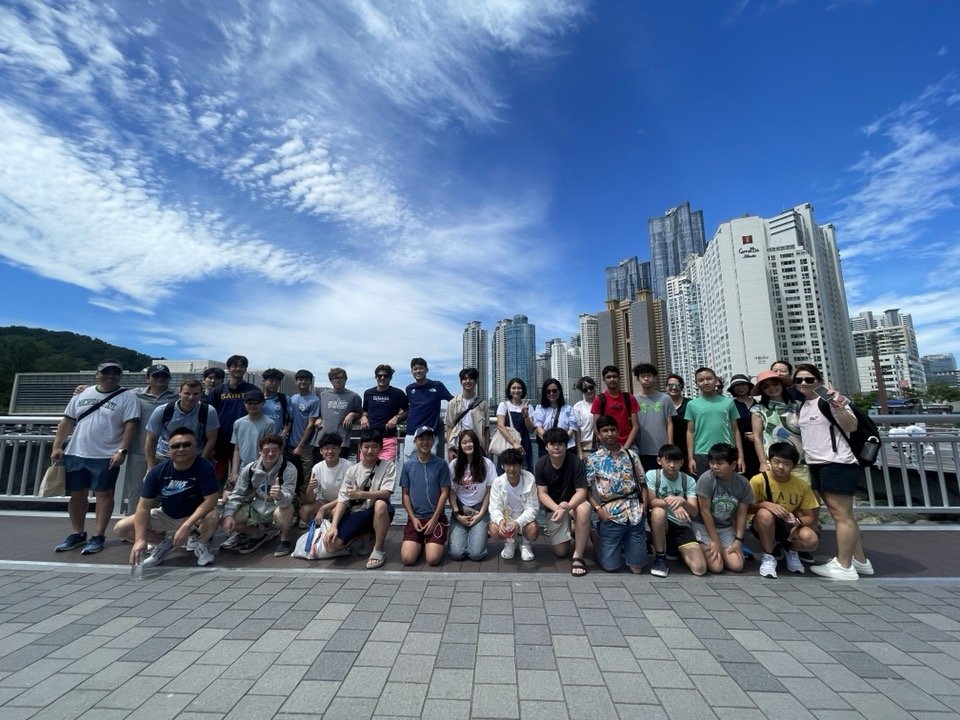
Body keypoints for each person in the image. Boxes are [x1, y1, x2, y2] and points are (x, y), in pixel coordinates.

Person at [51, 360, 141, 555]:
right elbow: (67, 421)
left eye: (115, 373)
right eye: (106, 372)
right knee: (77, 494)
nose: (111, 376)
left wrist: (122, 450)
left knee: (104, 494)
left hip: (106, 454)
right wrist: (57, 445)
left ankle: (98, 535)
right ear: (96, 374)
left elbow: (130, 425)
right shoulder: (82, 394)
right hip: (76, 451)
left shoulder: (127, 397)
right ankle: (77, 533)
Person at [794, 364, 874, 581]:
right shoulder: (805, 405)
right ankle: (860, 561)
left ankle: (844, 565)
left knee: (842, 516)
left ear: (818, 381)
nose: (803, 383)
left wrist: (837, 404)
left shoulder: (827, 400)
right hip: (818, 464)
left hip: (837, 462)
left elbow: (852, 426)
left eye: (809, 379)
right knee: (843, 514)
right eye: (799, 380)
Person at [115, 427, 219, 567]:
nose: (181, 449)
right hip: (166, 514)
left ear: (196, 446)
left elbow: (211, 500)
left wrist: (187, 525)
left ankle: (201, 545)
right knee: (121, 528)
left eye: (186, 445)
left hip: (194, 518)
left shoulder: (205, 468)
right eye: (175, 446)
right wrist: (140, 539)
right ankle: (164, 544)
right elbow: (143, 506)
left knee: (213, 515)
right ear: (168, 449)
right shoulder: (157, 472)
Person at [322, 430, 397, 569]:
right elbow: (343, 499)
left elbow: (386, 493)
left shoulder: (388, 466)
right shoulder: (353, 470)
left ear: (380, 448)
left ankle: (378, 549)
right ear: (360, 447)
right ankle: (363, 535)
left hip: (378, 510)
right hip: (358, 512)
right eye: (366, 446)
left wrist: (361, 494)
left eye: (374, 447)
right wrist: (333, 526)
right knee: (331, 547)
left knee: (381, 504)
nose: (370, 451)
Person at [585, 415, 648, 573]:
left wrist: (644, 507)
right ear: (598, 435)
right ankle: (597, 536)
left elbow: (643, 483)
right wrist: (598, 510)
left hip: (635, 513)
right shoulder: (593, 459)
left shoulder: (631, 455)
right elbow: (586, 488)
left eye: (612, 429)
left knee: (637, 568)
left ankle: (628, 546)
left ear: (618, 431)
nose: (609, 434)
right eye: (605, 431)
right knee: (610, 567)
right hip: (610, 514)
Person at [748, 442, 820, 579]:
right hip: (762, 524)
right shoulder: (758, 480)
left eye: (787, 464)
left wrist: (797, 520)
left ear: (794, 466)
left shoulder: (801, 485)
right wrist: (765, 504)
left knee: (811, 539)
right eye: (776, 462)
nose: (780, 467)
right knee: (764, 513)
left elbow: (810, 517)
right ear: (769, 461)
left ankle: (791, 550)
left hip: (789, 526)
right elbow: (747, 509)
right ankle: (769, 555)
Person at [220, 433, 297, 556]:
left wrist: (280, 495)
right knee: (228, 517)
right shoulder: (250, 469)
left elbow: (288, 498)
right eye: (266, 450)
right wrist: (228, 514)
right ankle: (257, 534)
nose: (270, 454)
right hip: (257, 506)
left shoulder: (289, 469)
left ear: (281, 450)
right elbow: (238, 493)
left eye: (275, 450)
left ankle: (284, 538)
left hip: (277, 507)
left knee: (286, 509)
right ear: (260, 451)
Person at [535, 428, 591, 575]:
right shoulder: (541, 464)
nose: (556, 447)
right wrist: (558, 509)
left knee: (584, 509)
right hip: (555, 509)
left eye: (560, 443)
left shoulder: (576, 462)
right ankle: (579, 529)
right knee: (560, 552)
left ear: (566, 445)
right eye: (552, 444)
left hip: (573, 505)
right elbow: (542, 494)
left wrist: (567, 507)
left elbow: (582, 492)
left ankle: (578, 556)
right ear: (546, 446)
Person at [691, 443, 753, 574]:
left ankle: (722, 551)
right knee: (716, 567)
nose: (714, 466)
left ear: (733, 465)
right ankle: (699, 544)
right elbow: (704, 511)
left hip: (725, 527)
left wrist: (738, 540)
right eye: (712, 462)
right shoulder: (706, 479)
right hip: (703, 525)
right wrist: (715, 541)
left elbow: (742, 514)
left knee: (737, 566)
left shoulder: (743, 483)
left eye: (719, 463)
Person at [646, 444, 706, 578]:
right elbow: (652, 501)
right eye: (668, 461)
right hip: (662, 523)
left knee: (700, 569)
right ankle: (660, 557)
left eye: (676, 461)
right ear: (659, 461)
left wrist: (682, 501)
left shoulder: (688, 480)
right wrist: (673, 503)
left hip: (681, 525)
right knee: (658, 512)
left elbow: (694, 511)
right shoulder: (652, 475)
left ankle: (677, 550)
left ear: (682, 462)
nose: (672, 465)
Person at [124, 364, 178, 512]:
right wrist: (83, 388)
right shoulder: (134, 394)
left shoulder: (176, 397)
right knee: (136, 489)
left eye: (164, 376)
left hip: (165, 453)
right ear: (147, 378)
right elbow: (112, 391)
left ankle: (153, 527)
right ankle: (132, 526)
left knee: (163, 491)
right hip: (138, 449)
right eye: (156, 375)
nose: (160, 378)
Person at [399, 426, 451, 566]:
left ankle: (431, 543)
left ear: (433, 441)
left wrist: (434, 519)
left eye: (429, 439)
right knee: (407, 559)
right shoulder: (408, 466)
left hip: (435, 518)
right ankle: (420, 542)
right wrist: (413, 517)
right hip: (416, 518)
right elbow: (405, 494)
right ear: (415, 441)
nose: (425, 442)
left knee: (433, 560)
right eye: (421, 439)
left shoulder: (441, 464)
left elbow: (445, 492)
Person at [144, 379, 219, 470]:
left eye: (195, 394)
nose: (191, 397)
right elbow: (151, 440)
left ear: (201, 394)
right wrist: (150, 468)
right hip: (165, 457)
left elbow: (212, 438)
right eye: (187, 393)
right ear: (179, 393)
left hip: (195, 457)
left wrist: (202, 462)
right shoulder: (162, 411)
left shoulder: (208, 411)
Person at [685, 367, 745, 476]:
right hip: (702, 453)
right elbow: (690, 432)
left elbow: (735, 430)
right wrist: (691, 458)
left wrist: (740, 457)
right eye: (701, 380)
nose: (705, 382)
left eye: (709, 379)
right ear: (696, 383)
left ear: (716, 380)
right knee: (705, 489)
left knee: (729, 489)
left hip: (727, 452)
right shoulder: (692, 405)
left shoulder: (728, 403)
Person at [208, 355, 257, 484]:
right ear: (228, 368)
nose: (238, 368)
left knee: (243, 476)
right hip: (221, 439)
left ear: (245, 369)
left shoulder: (253, 390)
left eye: (241, 366)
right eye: (234, 365)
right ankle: (216, 501)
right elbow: (210, 417)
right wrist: (211, 443)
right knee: (217, 475)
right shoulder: (217, 391)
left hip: (245, 439)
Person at [447, 429, 494, 562]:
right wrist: (457, 515)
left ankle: (475, 536)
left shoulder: (487, 464)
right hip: (461, 510)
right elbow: (451, 492)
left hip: (480, 509)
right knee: (456, 554)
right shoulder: (454, 465)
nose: (468, 445)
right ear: (460, 446)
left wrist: (481, 514)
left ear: (476, 443)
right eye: (464, 442)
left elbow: (489, 491)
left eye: (471, 441)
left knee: (476, 555)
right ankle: (464, 537)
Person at [488, 448, 540, 561]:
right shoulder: (498, 482)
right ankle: (510, 543)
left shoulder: (529, 479)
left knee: (533, 529)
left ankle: (525, 544)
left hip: (523, 520)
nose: (512, 469)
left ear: (520, 465)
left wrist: (517, 522)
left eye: (515, 465)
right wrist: (501, 521)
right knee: (493, 529)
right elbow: (494, 508)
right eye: (508, 465)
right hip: (507, 518)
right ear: (502, 466)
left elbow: (533, 508)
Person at [299, 432, 354, 527]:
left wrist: (323, 509)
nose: (330, 451)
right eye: (326, 448)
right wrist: (310, 489)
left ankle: (332, 527)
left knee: (334, 512)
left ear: (339, 450)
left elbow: (346, 496)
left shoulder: (348, 466)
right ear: (321, 451)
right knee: (304, 511)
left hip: (343, 503)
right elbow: (311, 499)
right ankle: (321, 528)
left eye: (334, 448)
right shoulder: (317, 467)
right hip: (326, 501)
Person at [404, 358, 453, 458]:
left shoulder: (437, 386)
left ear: (426, 370)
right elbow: (405, 408)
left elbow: (453, 402)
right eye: (415, 369)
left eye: (421, 368)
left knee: (430, 466)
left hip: (430, 433)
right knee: (409, 466)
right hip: (411, 433)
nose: (418, 371)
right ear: (412, 371)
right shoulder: (409, 389)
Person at [228, 389, 275, 490]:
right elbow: (236, 449)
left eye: (256, 403)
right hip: (242, 467)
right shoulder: (238, 423)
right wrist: (234, 472)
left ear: (263, 403)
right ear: (244, 404)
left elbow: (268, 450)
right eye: (249, 403)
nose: (252, 406)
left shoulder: (269, 423)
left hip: (261, 467)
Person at [632, 363, 676, 470]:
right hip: (642, 449)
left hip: (663, 449)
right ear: (638, 379)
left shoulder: (665, 398)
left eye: (649, 376)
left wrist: (670, 446)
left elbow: (669, 423)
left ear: (655, 378)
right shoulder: (633, 399)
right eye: (643, 376)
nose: (646, 379)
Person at [360, 364, 408, 461]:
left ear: (390, 377)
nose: (382, 378)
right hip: (369, 439)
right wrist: (364, 417)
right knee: (365, 472)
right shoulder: (368, 393)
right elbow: (365, 410)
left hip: (388, 439)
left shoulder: (398, 393)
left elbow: (407, 410)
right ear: (375, 377)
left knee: (387, 471)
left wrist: (396, 418)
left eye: (385, 376)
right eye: (379, 376)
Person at [591, 366, 640, 452]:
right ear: (604, 379)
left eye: (615, 376)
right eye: (608, 377)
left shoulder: (629, 398)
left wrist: (625, 448)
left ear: (619, 378)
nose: (612, 379)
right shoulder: (599, 399)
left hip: (629, 446)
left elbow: (635, 426)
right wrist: (608, 447)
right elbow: (596, 427)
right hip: (606, 447)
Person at [317, 367, 362, 459]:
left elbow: (360, 414)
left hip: (342, 442)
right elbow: (318, 413)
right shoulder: (323, 395)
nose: (338, 380)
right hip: (322, 440)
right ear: (331, 380)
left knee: (340, 471)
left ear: (346, 379)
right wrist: (318, 418)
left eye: (341, 378)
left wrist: (352, 415)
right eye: (334, 378)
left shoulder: (354, 396)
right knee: (319, 470)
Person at [289, 369, 321, 482]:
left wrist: (300, 445)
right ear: (296, 381)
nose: (303, 382)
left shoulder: (314, 400)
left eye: (306, 379)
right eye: (300, 379)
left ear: (310, 382)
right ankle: (293, 497)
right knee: (291, 473)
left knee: (306, 474)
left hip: (306, 445)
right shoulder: (293, 398)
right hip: (290, 444)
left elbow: (311, 424)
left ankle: (305, 498)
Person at [445, 368, 489, 450]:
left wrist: (486, 447)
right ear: (460, 382)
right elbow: (449, 427)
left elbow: (486, 428)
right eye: (464, 379)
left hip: (477, 445)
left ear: (476, 381)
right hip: (458, 445)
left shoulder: (483, 404)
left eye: (471, 378)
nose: (468, 381)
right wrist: (450, 449)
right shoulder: (453, 403)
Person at [496, 377, 535, 471]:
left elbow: (531, 430)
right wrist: (514, 443)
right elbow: (500, 426)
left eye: (519, 388)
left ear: (523, 390)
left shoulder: (529, 406)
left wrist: (525, 416)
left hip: (524, 445)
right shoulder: (504, 405)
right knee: (505, 473)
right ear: (509, 391)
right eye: (513, 388)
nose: (516, 390)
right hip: (507, 444)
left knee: (525, 473)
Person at [533, 378, 579, 455]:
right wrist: (551, 443)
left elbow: (572, 428)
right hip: (546, 449)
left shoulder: (568, 409)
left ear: (559, 391)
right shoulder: (540, 408)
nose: (551, 393)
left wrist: (562, 442)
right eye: (548, 391)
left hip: (567, 448)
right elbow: (538, 427)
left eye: (554, 391)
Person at [728, 374, 761, 478]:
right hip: (740, 447)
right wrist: (744, 435)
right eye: (737, 386)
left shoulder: (759, 404)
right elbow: (729, 428)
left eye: (743, 384)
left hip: (759, 445)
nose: (740, 388)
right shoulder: (731, 405)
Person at [665, 374, 691, 474]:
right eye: (670, 385)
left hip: (687, 447)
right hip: (668, 447)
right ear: (666, 387)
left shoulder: (690, 404)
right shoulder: (663, 404)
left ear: (682, 387)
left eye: (677, 385)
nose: (674, 388)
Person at [260, 368, 291, 438]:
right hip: (259, 438)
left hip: (276, 441)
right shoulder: (257, 398)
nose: (274, 384)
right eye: (271, 380)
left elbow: (289, 419)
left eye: (277, 381)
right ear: (263, 381)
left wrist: (284, 433)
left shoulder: (285, 399)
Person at [572, 376, 597, 457]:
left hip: (603, 445)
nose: (589, 391)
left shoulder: (603, 402)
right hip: (585, 446)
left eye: (590, 387)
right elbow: (577, 430)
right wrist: (579, 451)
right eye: (585, 389)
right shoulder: (578, 407)